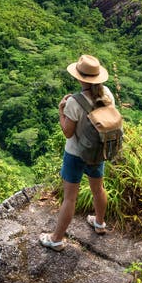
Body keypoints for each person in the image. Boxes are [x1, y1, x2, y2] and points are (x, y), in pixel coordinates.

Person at [40, 53, 113, 251]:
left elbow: (67, 132)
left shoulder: (74, 102)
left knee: (70, 198)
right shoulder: (107, 94)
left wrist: (61, 111)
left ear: (80, 78)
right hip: (98, 151)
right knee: (98, 188)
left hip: (75, 154)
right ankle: (99, 223)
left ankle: (56, 239)